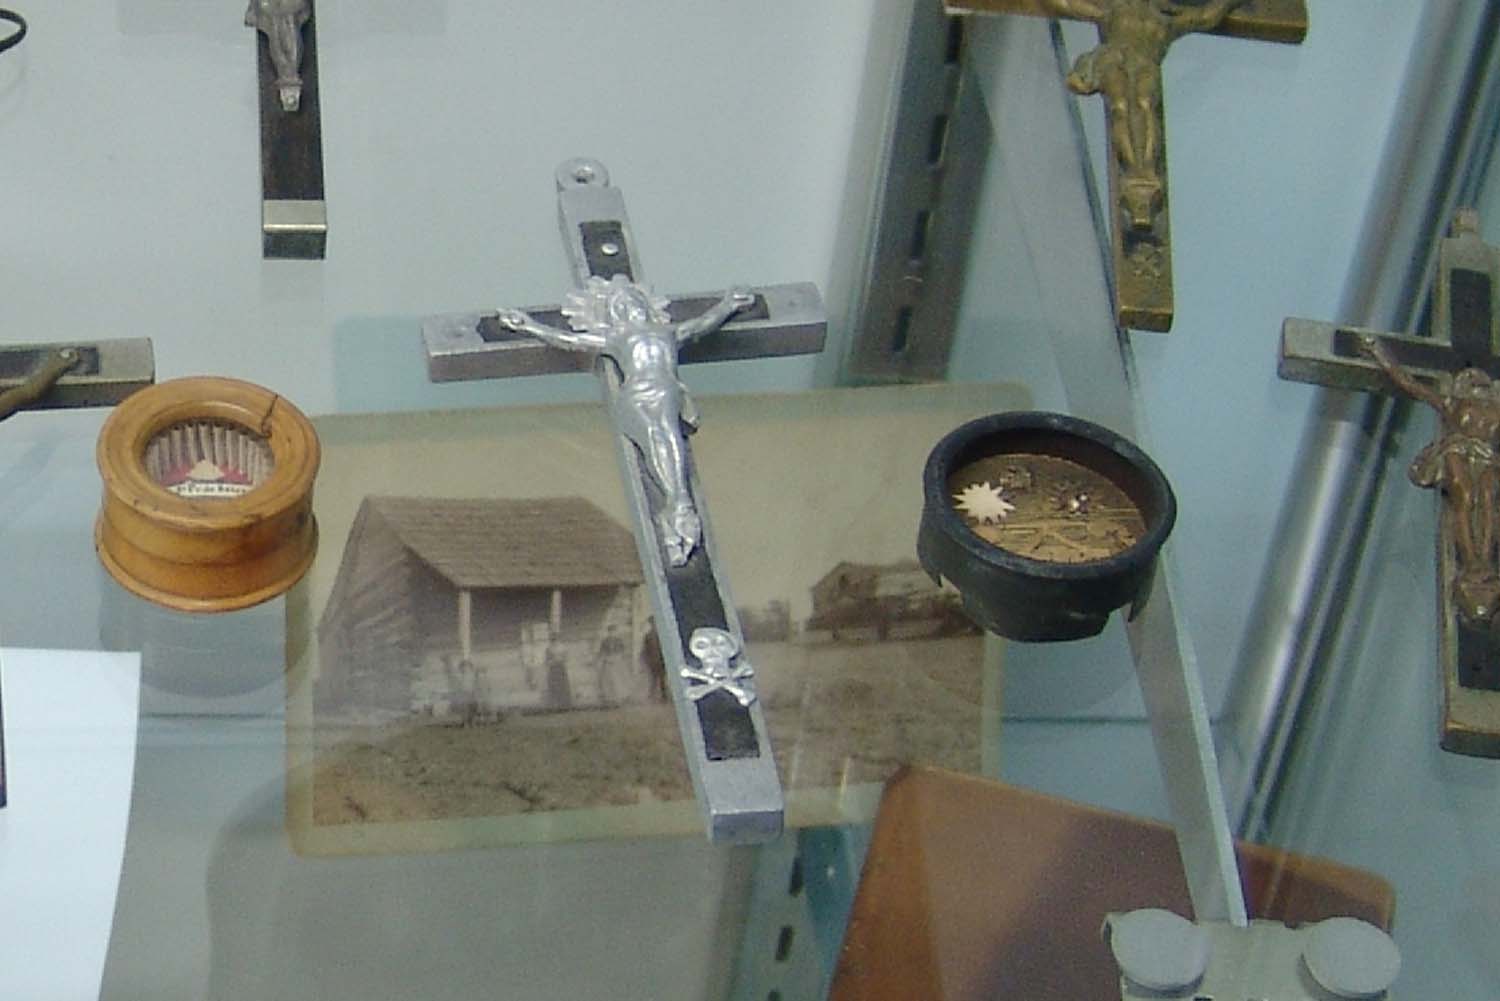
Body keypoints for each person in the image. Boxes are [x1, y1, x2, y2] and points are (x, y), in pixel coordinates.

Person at [498, 275, 754, 566]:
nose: (631, 307)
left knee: (668, 436)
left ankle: (679, 504)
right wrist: (528, 326)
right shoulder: (616, 337)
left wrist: (730, 304)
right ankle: (678, 507)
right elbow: (571, 340)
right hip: (636, 395)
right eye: (621, 305)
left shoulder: (668, 331)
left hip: (666, 390)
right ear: (614, 314)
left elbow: (703, 323)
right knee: (654, 439)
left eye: (635, 301)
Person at [1041, 0, 1248, 232]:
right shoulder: (1114, 10)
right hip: (1113, 60)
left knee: (1145, 105)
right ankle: (1132, 169)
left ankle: (1145, 169)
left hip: (1145, 64)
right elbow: (1067, 4)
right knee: (1120, 106)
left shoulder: (1166, 21)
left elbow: (1205, 17)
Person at [1362, 334, 1500, 623]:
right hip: (1456, 451)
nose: (1478, 383)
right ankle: (1469, 558)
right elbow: (1410, 384)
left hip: (1487, 456)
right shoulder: (1452, 403)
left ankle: (1483, 561)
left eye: (1482, 383)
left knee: (1488, 499)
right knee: (1464, 496)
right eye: (1473, 381)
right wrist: (1379, 354)